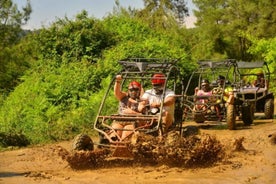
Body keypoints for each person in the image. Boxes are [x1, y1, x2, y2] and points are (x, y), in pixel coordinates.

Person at [111, 75, 142, 140]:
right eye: (131, 90)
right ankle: (111, 147)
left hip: (133, 122)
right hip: (120, 120)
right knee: (114, 134)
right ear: (128, 90)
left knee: (125, 135)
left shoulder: (142, 100)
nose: (133, 92)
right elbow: (116, 92)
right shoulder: (124, 97)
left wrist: (133, 113)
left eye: (136, 89)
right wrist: (118, 81)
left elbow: (143, 115)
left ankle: (122, 147)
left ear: (139, 90)